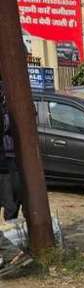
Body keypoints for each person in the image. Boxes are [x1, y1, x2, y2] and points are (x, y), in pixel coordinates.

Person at [0, 110, 32, 278]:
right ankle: (11, 253)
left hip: (6, 165)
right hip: (5, 165)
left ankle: (13, 252)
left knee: (12, 206)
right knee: (11, 206)